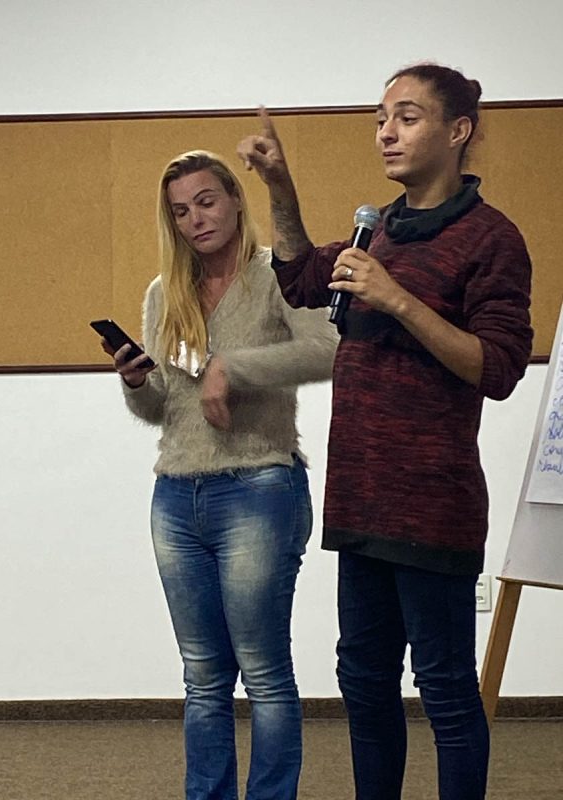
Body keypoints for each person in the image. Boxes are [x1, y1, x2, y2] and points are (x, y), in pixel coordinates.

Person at [238, 64, 533, 800]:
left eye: (406, 116)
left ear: (457, 131)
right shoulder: (380, 230)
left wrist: (397, 299)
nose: (386, 133)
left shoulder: (491, 238)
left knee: (445, 688)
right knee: (364, 682)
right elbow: (300, 279)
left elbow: (498, 367)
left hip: (432, 504)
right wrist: (280, 187)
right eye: (379, 119)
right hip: (360, 500)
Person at [100, 149, 338, 800]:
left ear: (235, 198)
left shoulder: (278, 277)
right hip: (176, 495)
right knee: (203, 677)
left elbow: (327, 350)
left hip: (260, 486)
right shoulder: (164, 293)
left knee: (263, 672)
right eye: (180, 212)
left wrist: (234, 368)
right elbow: (164, 410)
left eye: (206, 202)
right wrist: (136, 384)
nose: (196, 219)